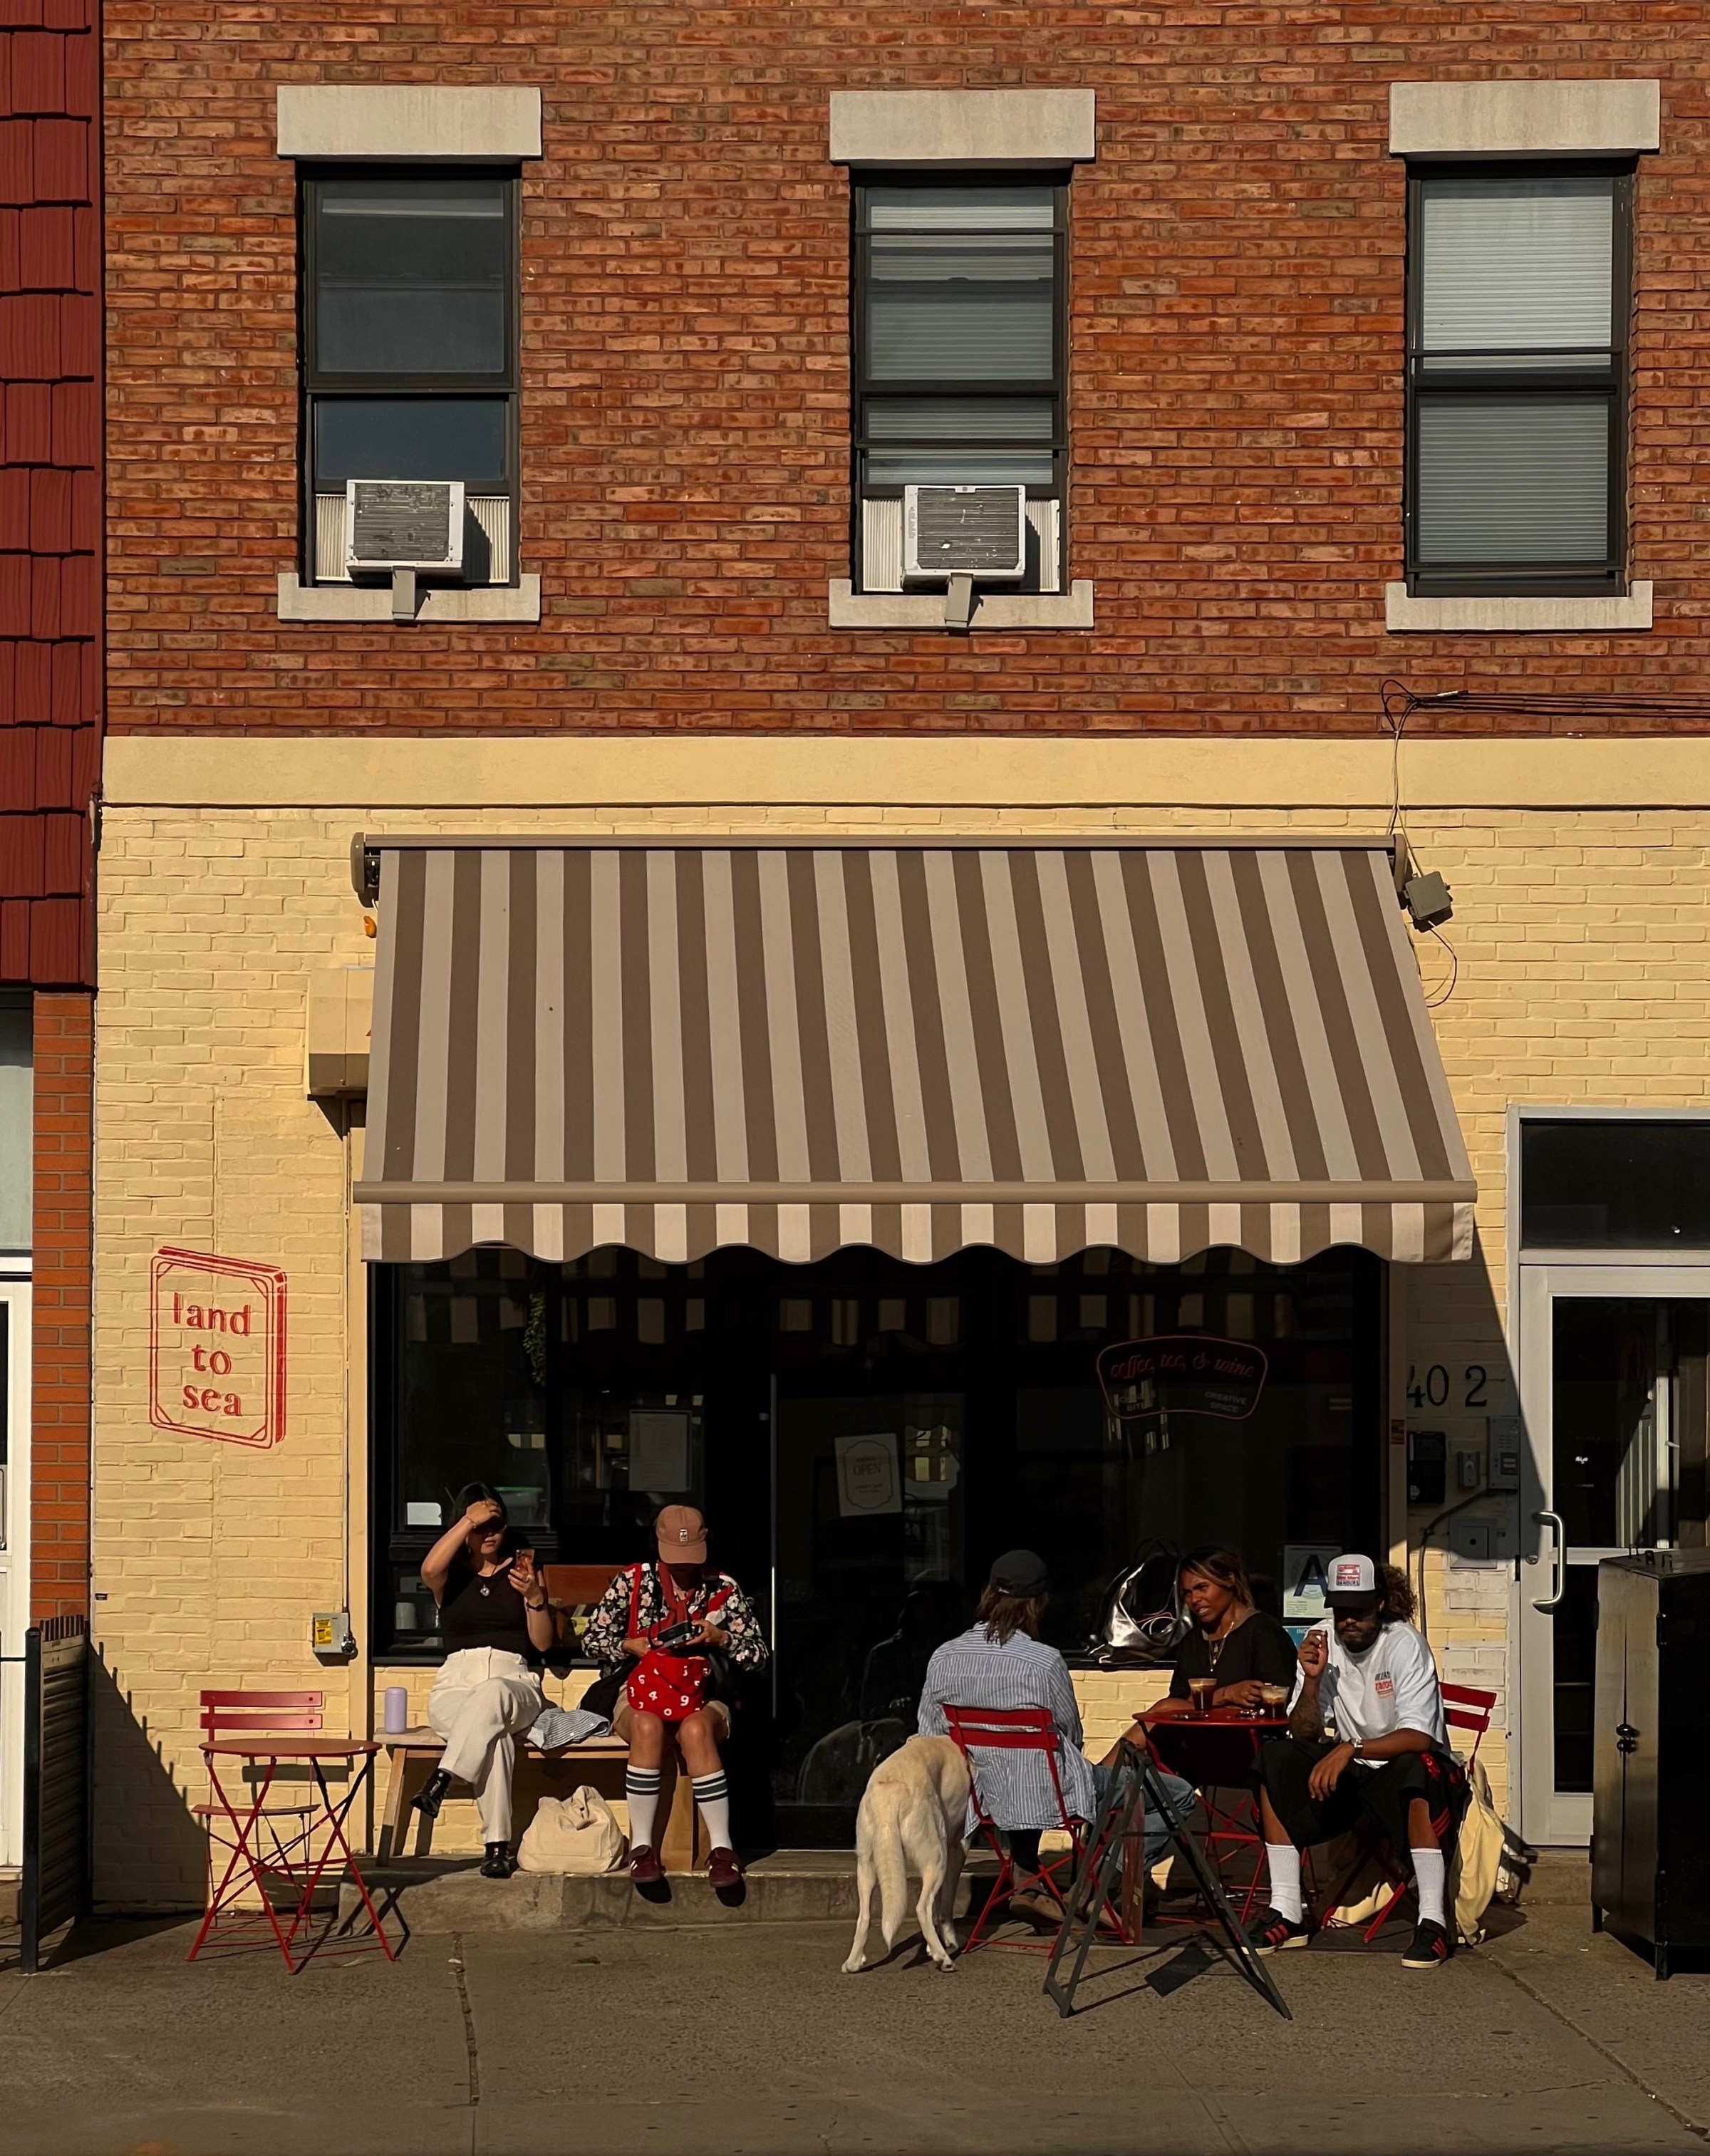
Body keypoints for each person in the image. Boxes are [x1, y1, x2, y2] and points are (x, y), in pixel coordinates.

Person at [917, 1549, 1193, 1930]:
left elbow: (930, 1734)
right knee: (1176, 1795)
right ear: (1039, 1603)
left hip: (981, 1798)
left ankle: (1029, 1882)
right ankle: (1097, 1886)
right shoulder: (1044, 1661)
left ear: (988, 1595)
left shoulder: (944, 1657)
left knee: (1021, 1777)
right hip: (1047, 1795)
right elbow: (1071, 1736)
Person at [1245, 1552, 1468, 1970]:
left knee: (1416, 1766)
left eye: (1359, 1609)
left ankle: (1434, 1922)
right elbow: (1305, 1732)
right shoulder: (1321, 1640)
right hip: (1354, 1777)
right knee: (1274, 1757)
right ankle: (1287, 1910)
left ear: (1380, 1603)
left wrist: (1352, 1747)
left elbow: (1419, 1736)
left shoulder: (1404, 1644)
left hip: (1410, 1776)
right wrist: (1311, 1681)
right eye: (1342, 1609)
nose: (1349, 1620)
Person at [580, 1503, 769, 1893]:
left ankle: (722, 1848)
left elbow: (759, 1657)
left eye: (691, 1560)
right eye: (675, 1560)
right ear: (657, 1545)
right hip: (640, 1688)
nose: (684, 1568)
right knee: (647, 1725)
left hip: (702, 1694)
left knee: (697, 1731)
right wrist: (629, 1645)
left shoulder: (724, 1588)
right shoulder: (632, 1582)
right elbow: (591, 1640)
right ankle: (643, 1846)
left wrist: (721, 1639)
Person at [412, 1483, 554, 1879]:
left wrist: (535, 1597)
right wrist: (467, 1521)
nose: (489, 1534)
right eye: (480, 1527)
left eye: (496, 1525)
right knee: (496, 1740)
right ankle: (497, 1847)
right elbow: (427, 1569)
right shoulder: (451, 1577)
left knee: (493, 1695)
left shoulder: (522, 1572)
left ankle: (445, 1777)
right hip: (456, 1684)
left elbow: (542, 1642)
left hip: (515, 1683)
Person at [1136, 1546, 1299, 1721]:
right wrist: (1225, 1694)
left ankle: (1127, 1748)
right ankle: (1128, 1748)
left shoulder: (1263, 1632)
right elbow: (1180, 1702)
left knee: (1164, 1709)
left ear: (1229, 1580)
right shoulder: (1193, 1640)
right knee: (1164, 1709)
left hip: (1247, 1733)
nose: (1195, 1599)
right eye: (1187, 1593)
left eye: (1202, 1587)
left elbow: (1279, 1699)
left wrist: (1215, 1702)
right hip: (1194, 1731)